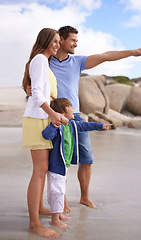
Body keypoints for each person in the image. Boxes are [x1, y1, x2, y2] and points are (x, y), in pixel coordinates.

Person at [26, 25, 141, 209]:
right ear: (61, 39)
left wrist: (132, 52)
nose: (76, 44)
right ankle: (62, 201)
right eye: (73, 40)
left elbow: (105, 56)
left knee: (86, 158)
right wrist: (27, 89)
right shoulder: (45, 60)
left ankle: (85, 196)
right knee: (58, 160)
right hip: (53, 117)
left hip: (74, 115)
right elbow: (31, 84)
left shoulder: (77, 61)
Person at [22, 28, 68, 238]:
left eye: (59, 41)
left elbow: (36, 89)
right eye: (54, 41)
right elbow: (38, 93)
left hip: (41, 118)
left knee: (42, 169)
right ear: (45, 40)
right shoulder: (40, 59)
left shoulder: (42, 61)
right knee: (39, 171)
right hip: (38, 119)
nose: (57, 44)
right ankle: (34, 224)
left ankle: (40, 208)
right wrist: (52, 114)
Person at [42, 98, 111, 228]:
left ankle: (59, 214)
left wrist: (100, 126)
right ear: (62, 112)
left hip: (64, 165)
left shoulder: (71, 124)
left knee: (59, 190)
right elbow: (46, 135)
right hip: (56, 165)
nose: (74, 109)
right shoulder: (58, 126)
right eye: (70, 106)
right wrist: (53, 125)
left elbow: (84, 125)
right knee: (56, 191)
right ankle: (55, 219)